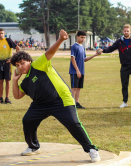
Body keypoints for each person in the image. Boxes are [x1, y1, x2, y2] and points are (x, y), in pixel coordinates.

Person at [11, 29, 101, 163]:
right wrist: (14, 80)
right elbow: (17, 96)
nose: (20, 67)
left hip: (60, 100)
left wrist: (60, 40)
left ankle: (92, 150)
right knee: (28, 120)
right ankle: (34, 147)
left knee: (73, 123)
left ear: (29, 61)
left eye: (22, 63)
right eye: (18, 65)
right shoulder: (25, 82)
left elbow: (49, 53)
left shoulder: (38, 64)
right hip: (40, 105)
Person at [98, 24, 131, 108]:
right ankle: (125, 102)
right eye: (125, 31)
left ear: (130, 31)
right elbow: (111, 48)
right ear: (123, 31)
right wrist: (103, 50)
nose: (126, 32)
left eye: (127, 31)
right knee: (124, 85)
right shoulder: (119, 41)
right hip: (124, 67)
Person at [69, 31, 101, 109]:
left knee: (79, 87)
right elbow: (72, 58)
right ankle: (71, 104)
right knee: (74, 87)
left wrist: (95, 55)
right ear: (77, 37)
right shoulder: (74, 46)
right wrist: (77, 70)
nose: (83, 39)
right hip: (75, 71)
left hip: (81, 70)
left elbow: (85, 59)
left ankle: (77, 103)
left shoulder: (82, 47)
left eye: (84, 37)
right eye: (81, 37)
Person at [0, 28, 20, 104]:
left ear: (4, 33)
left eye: (2, 33)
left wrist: (12, 58)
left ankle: (7, 98)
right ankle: (0, 98)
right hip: (0, 63)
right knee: (0, 81)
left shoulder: (8, 40)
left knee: (7, 81)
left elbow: (18, 48)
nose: (1, 35)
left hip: (7, 63)